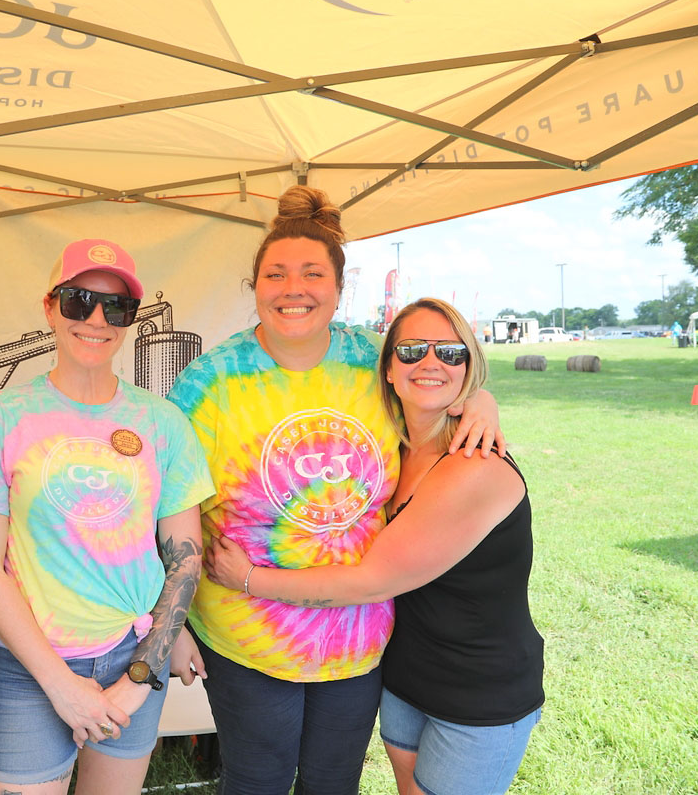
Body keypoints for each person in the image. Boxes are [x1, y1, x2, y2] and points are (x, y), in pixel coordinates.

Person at [166, 185, 502, 795]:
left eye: (312, 273)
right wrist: (171, 625)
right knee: (257, 781)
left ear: (339, 288)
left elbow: (434, 383)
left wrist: (482, 397)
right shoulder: (209, 381)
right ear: (256, 286)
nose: (294, 288)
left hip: (360, 633)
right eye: (276, 274)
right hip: (245, 633)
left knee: (334, 782)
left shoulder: (371, 364)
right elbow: (161, 506)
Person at [206, 297, 544, 795]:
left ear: (471, 366)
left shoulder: (475, 467)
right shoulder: (397, 446)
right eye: (411, 350)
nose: (430, 362)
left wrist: (249, 579)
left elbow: (371, 580)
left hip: (477, 693)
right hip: (407, 677)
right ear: (386, 369)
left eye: (451, 353)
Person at [0, 239, 213, 795]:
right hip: (30, 663)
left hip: (132, 658)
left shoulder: (163, 422)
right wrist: (61, 685)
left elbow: (185, 560)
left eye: (116, 307)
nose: (96, 319)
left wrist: (141, 675)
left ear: (130, 321)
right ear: (49, 308)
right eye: (78, 301)